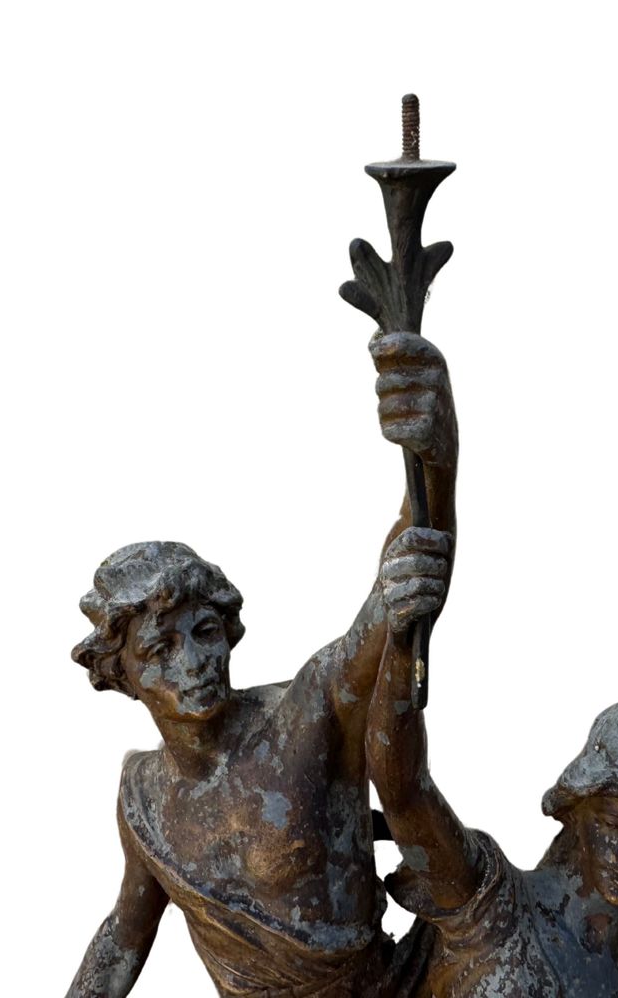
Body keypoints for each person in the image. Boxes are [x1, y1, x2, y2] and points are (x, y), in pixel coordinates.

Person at [64, 331, 457, 998]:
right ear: (120, 675)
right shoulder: (143, 797)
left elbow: (398, 584)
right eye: (161, 650)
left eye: (205, 632)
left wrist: (435, 464)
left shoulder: (307, 715)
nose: (195, 662)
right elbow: (124, 933)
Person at [367, 541, 618, 998]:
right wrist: (400, 642)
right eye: (614, 825)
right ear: (578, 811)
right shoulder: (490, 900)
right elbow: (404, 790)